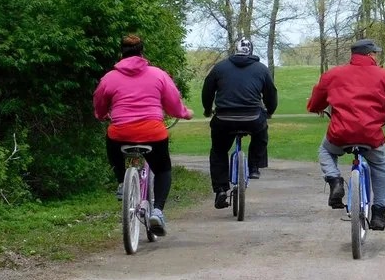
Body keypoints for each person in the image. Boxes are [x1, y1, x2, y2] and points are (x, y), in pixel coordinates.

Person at [93, 34, 193, 236]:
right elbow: (173, 103)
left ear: (121, 52)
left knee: (112, 141)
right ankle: (158, 211)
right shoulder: (158, 75)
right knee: (163, 169)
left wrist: (102, 115)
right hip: (152, 133)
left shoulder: (110, 77)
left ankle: (122, 182)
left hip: (121, 133)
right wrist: (184, 113)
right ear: (142, 52)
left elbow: (99, 103)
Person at [306, 38, 385, 230]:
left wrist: (315, 108)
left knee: (326, 151)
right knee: (381, 167)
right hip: (371, 135)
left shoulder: (333, 74)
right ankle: (379, 213)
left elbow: (316, 101)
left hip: (340, 134)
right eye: (375, 53)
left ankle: (335, 180)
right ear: (370, 55)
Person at [201, 37, 278, 209]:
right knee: (261, 133)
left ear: (234, 50)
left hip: (223, 119)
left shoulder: (220, 67)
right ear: (251, 51)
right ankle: (254, 167)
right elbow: (271, 93)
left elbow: (207, 90)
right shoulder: (261, 69)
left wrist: (207, 109)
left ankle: (221, 189)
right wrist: (270, 111)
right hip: (252, 117)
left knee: (219, 150)